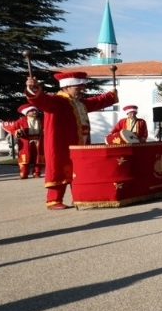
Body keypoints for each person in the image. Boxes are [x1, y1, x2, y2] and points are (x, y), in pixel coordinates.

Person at [24, 71, 118, 209]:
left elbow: (96, 101)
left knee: (80, 170)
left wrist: (111, 95)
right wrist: (32, 89)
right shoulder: (56, 101)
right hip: (62, 143)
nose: (81, 90)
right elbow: (40, 100)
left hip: (82, 141)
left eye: (82, 87)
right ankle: (54, 200)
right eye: (78, 87)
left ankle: (78, 197)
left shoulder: (79, 103)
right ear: (66, 87)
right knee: (59, 168)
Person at [4, 104, 45, 179]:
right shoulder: (21, 121)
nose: (35, 112)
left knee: (38, 158)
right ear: (27, 112)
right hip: (26, 141)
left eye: (35, 110)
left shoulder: (41, 120)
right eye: (32, 111)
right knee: (24, 158)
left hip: (38, 141)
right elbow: (12, 129)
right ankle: (24, 173)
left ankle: (37, 172)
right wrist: (17, 131)